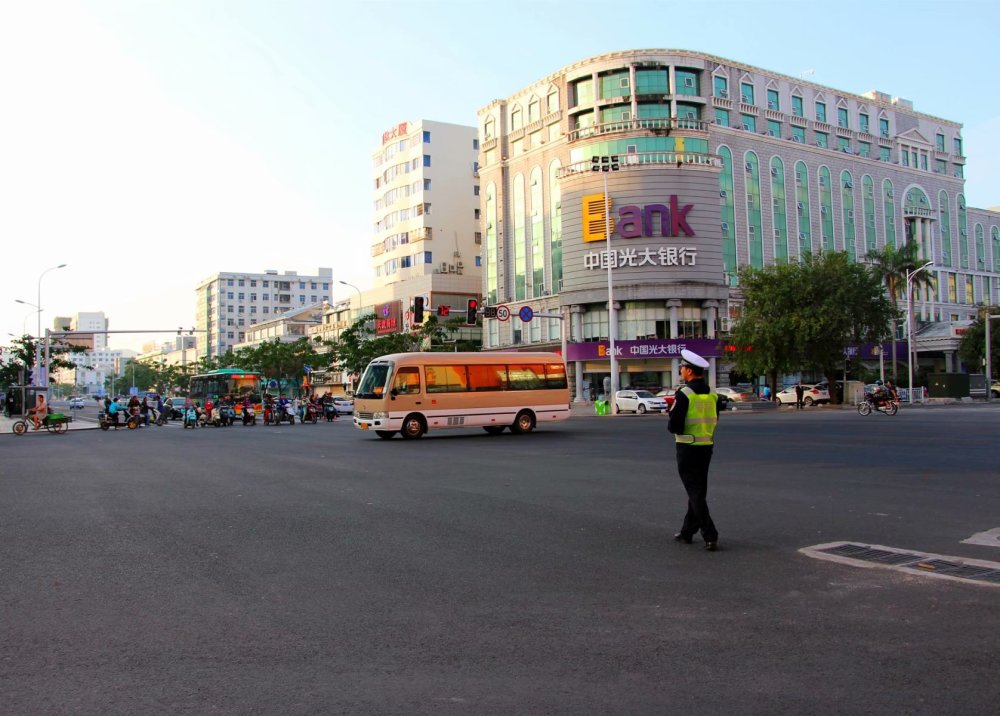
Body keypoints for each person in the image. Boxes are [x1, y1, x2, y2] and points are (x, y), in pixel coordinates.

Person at [668, 349, 721, 551]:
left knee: (695, 491)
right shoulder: (712, 394)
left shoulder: (685, 394)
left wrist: (671, 416)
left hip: (687, 447)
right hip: (706, 446)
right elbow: (715, 420)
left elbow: (675, 426)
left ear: (689, 371)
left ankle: (710, 534)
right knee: (698, 490)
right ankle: (687, 532)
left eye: (682, 368)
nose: (681, 370)